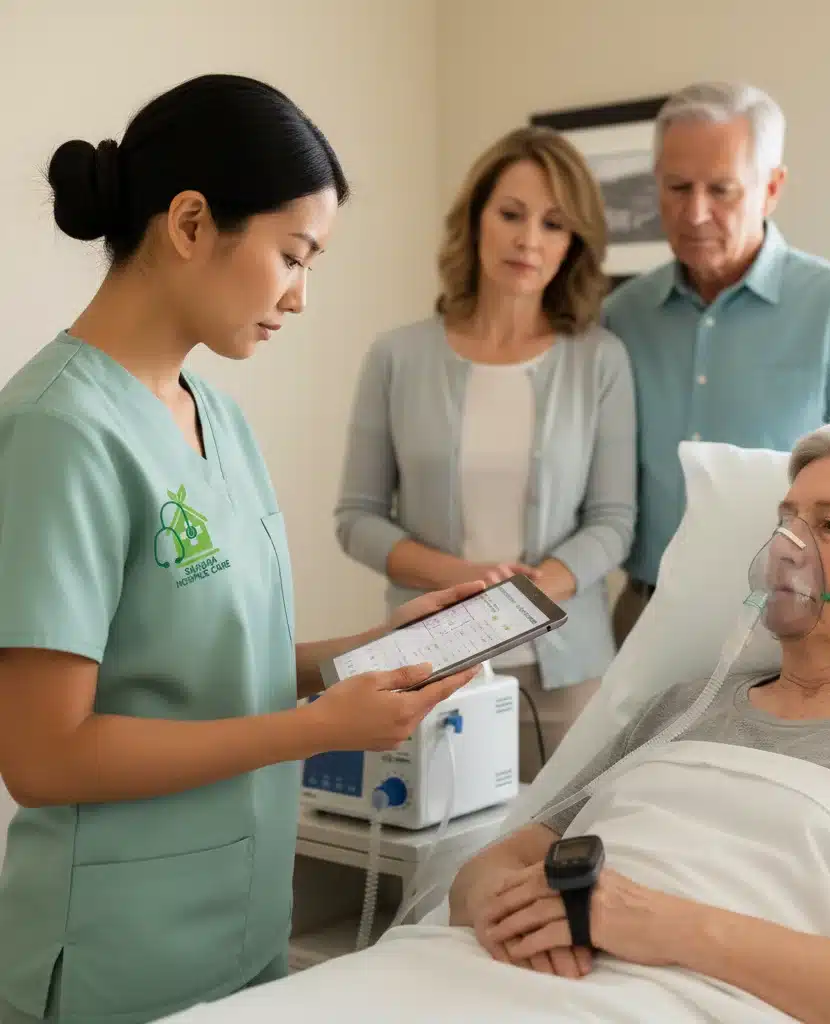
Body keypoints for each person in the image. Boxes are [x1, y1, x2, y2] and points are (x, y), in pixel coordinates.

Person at [0, 73, 487, 1024]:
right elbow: (43, 756)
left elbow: (220, 666)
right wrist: (318, 728)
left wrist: (371, 654)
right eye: (293, 255)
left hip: (242, 927)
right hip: (114, 950)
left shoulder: (213, 414)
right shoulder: (57, 431)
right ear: (189, 224)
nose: (301, 297)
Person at [445, 422, 830, 1023]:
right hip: (503, 980)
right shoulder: (682, 709)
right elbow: (490, 867)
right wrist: (502, 908)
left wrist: (666, 926)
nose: (785, 547)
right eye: (785, 520)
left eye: (829, 525)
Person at [334, 126, 637, 782]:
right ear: (475, 219)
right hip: (427, 667)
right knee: (438, 865)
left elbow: (613, 522)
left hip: (571, 676)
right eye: (511, 214)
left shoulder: (601, 360)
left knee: (562, 857)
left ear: (573, 244)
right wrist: (466, 582)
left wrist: (528, 594)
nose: (529, 240)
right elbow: (357, 519)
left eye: (554, 224)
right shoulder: (397, 357)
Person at [605, 82, 830, 645]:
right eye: (677, 187)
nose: (696, 213)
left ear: (771, 188)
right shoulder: (622, 316)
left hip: (791, 621)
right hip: (644, 614)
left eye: (721, 190)